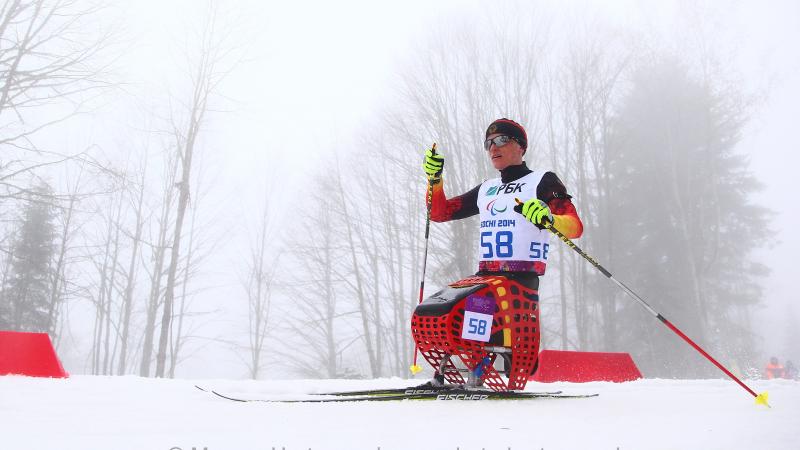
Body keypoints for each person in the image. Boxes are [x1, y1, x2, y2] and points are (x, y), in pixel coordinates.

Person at [422, 118, 583, 290]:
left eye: (502, 140)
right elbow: (439, 213)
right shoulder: (487, 188)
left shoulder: (541, 180)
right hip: (485, 279)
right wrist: (435, 179)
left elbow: (575, 227)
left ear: (521, 146)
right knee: (436, 312)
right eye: (488, 143)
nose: (493, 147)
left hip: (521, 282)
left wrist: (550, 220)